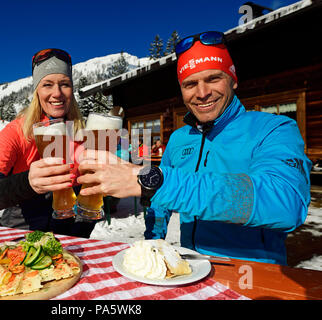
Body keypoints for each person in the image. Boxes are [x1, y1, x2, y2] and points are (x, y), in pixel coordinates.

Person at [77, 31, 311, 265]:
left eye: (213, 79)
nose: (202, 93)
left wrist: (160, 182)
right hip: (192, 266)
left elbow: (286, 203)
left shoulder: (274, 128)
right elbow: (159, 202)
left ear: (233, 79)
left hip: (254, 274)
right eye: (190, 84)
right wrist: (153, 241)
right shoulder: (179, 138)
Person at [0, 48, 96, 238]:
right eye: (47, 84)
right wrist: (27, 183)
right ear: (37, 91)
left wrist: (78, 233)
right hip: (18, 237)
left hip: (66, 239)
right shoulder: (16, 131)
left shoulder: (84, 134)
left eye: (64, 84)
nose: (57, 93)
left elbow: (93, 193)